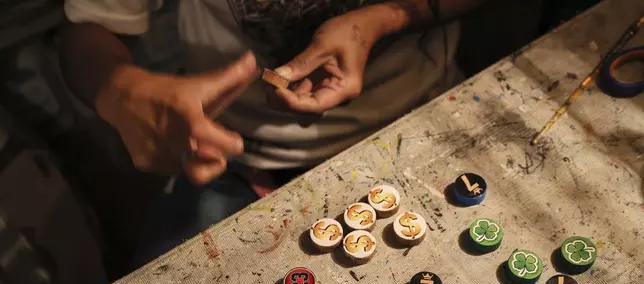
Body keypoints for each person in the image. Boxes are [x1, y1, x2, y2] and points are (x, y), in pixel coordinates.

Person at [60, 0, 485, 264]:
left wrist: (384, 18)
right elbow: (87, 29)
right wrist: (122, 89)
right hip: (242, 156)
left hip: (425, 112)